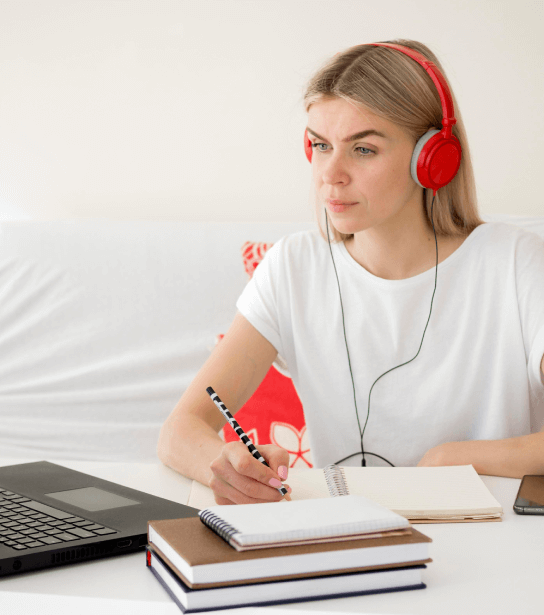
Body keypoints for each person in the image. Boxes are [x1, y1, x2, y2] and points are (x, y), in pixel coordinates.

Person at [157, 39, 544, 505]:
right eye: (321, 145)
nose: (331, 174)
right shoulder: (293, 267)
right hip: (349, 545)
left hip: (496, 547)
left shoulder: (516, 263)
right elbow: (180, 430)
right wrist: (227, 468)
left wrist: (449, 459)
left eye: (363, 149)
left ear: (433, 159)